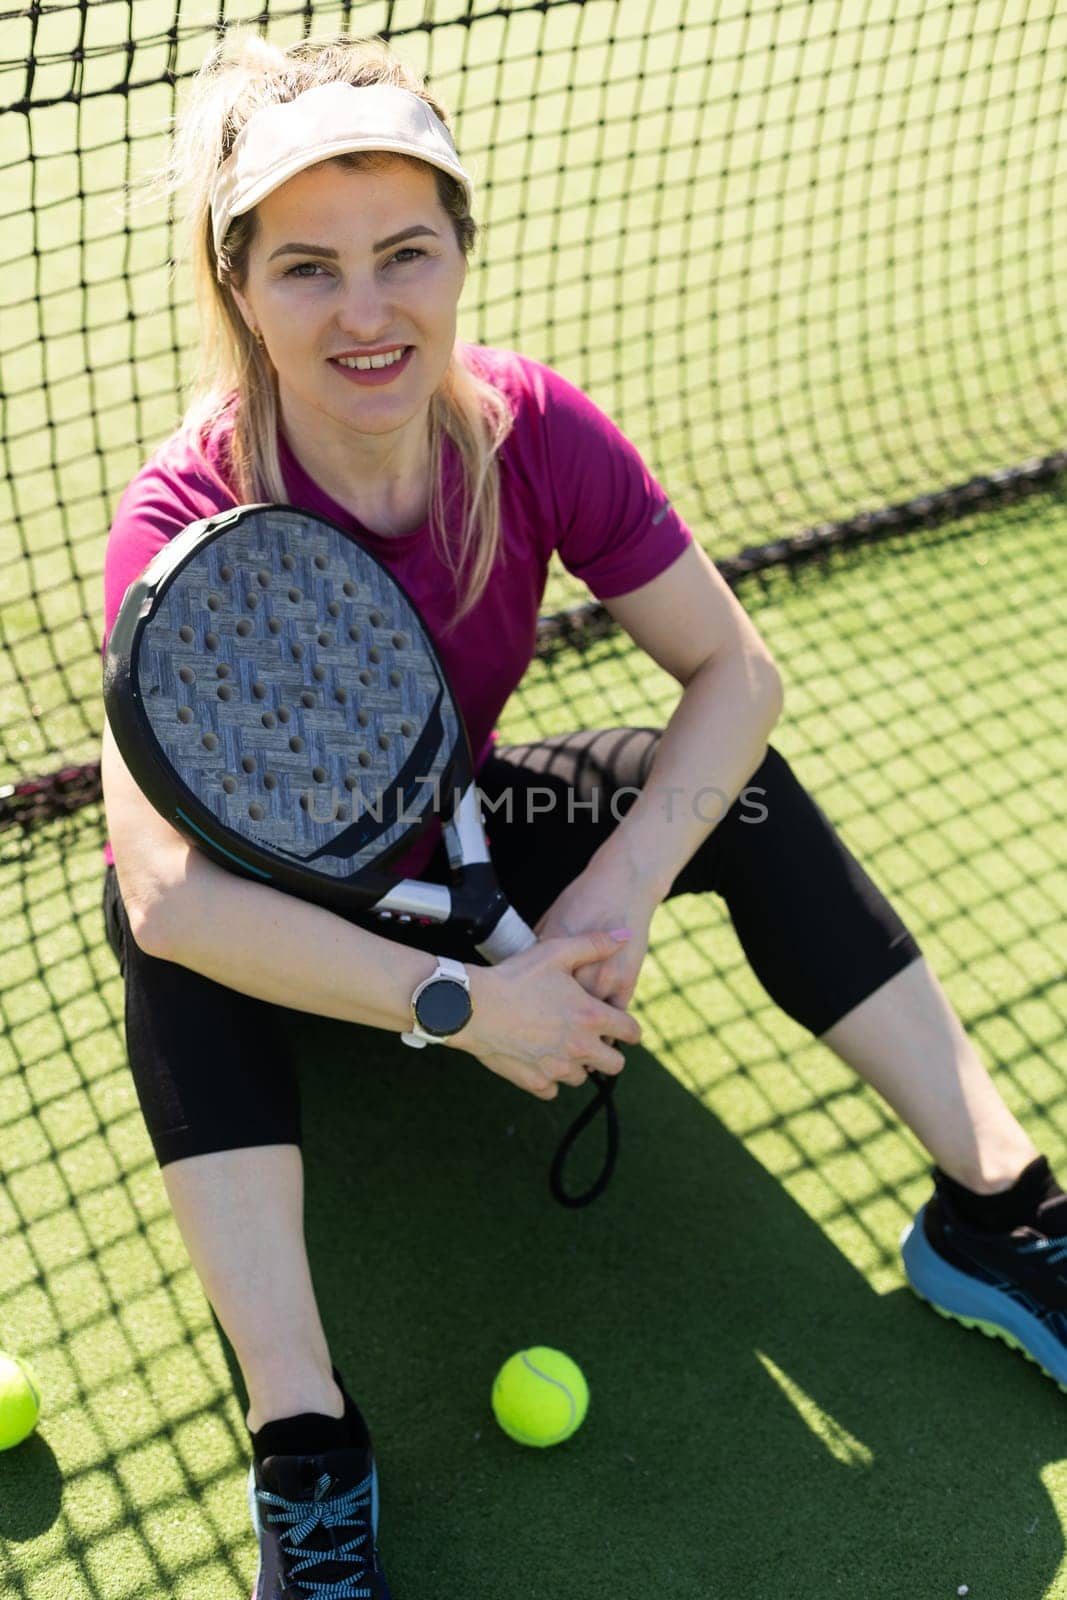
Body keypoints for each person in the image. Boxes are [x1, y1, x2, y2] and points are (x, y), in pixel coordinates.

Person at [99, 30, 1066, 1600]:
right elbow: (173, 893)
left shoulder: (530, 430)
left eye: (405, 255)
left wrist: (612, 898)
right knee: (163, 952)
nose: (366, 311)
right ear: (240, 288)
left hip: (450, 831)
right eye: (307, 270)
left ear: (461, 256)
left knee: (728, 793)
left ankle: (1001, 1210)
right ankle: (306, 1442)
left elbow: (733, 677)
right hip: (278, 929)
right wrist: (467, 1004)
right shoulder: (187, 518)